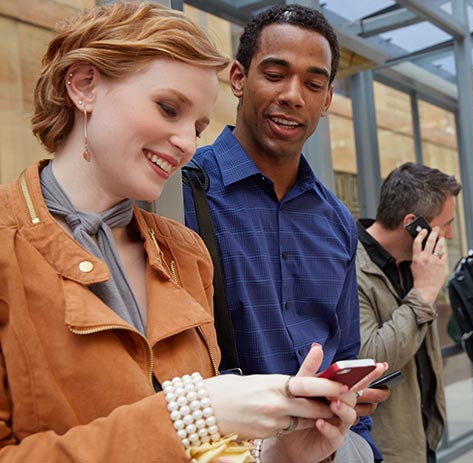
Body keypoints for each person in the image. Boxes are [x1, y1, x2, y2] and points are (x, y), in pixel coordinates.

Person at [0, 3, 386, 462]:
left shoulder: (184, 253)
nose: (186, 142)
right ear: (85, 85)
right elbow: (195, 423)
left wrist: (277, 453)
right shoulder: (17, 245)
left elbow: (210, 450)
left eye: (197, 126)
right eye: (168, 109)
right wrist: (196, 412)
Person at [182, 5, 386, 461]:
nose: (294, 95)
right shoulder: (182, 192)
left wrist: (360, 444)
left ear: (328, 100)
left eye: (313, 84)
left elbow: (346, 347)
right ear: (238, 78)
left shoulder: (335, 218)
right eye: (275, 74)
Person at [356, 162, 460, 463]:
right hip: (386, 449)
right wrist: (425, 294)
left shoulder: (416, 264)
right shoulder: (352, 267)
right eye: (447, 223)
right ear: (414, 223)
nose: (450, 235)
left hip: (422, 437)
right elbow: (370, 356)